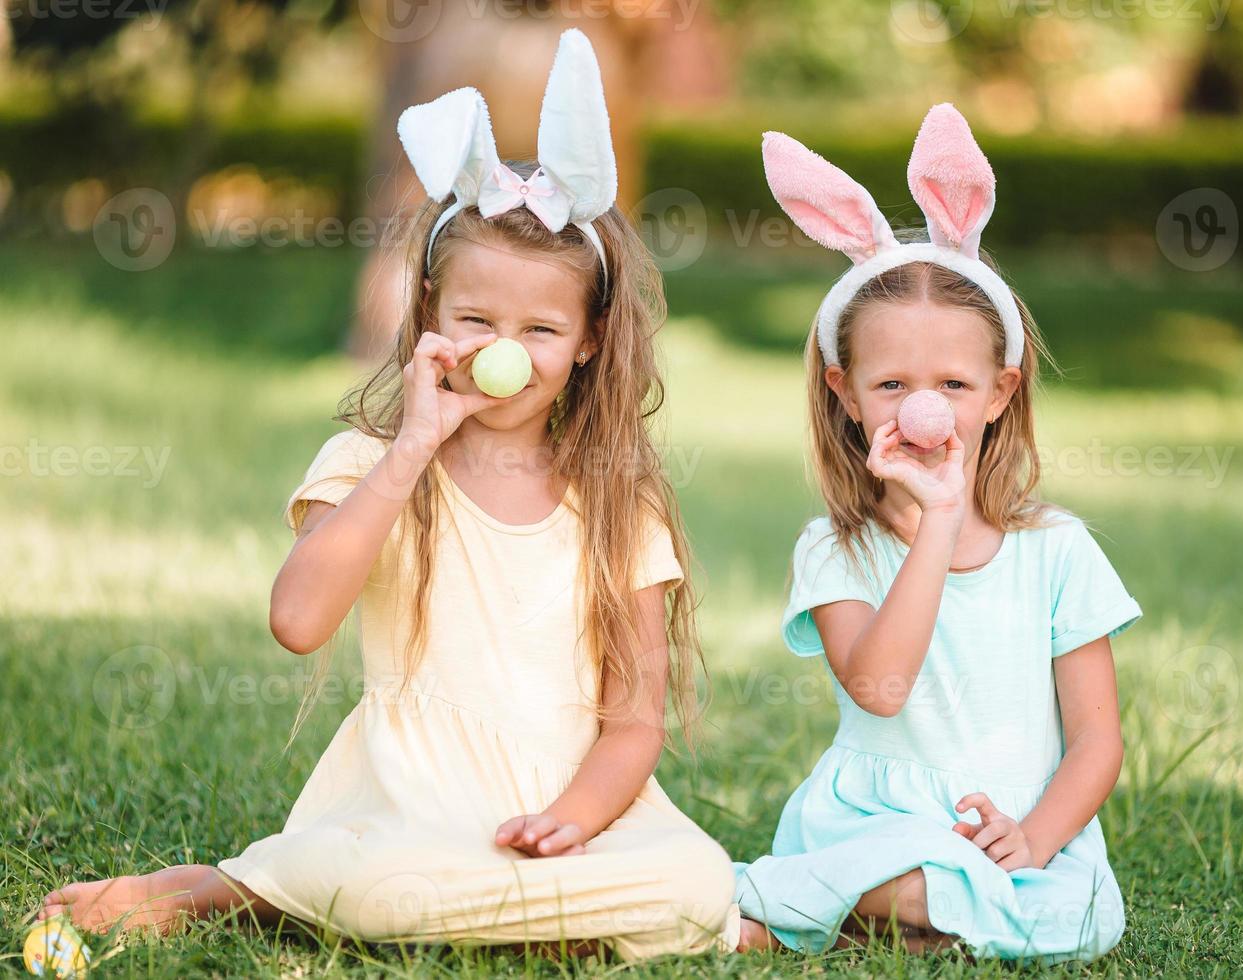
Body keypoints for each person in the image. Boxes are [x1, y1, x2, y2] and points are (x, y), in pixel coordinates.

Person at [33, 30, 739, 961]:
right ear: (431, 320)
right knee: (378, 885)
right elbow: (297, 619)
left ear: (591, 342)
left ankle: (480, 900)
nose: (507, 350)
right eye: (478, 319)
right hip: (412, 809)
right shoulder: (368, 460)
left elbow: (635, 717)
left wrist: (571, 819)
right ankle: (239, 891)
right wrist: (409, 451)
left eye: (542, 327)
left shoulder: (618, 502)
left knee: (699, 886)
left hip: (578, 810)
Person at [733, 104, 1142, 964]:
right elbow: (880, 689)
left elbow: (1097, 740)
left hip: (1013, 829)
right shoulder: (835, 546)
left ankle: (863, 914)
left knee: (1084, 917)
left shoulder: (1058, 549)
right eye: (891, 384)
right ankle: (899, 906)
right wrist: (938, 519)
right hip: (873, 824)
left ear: (1000, 391)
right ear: (846, 393)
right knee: (902, 872)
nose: (924, 408)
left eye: (955, 383)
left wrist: (1031, 838)